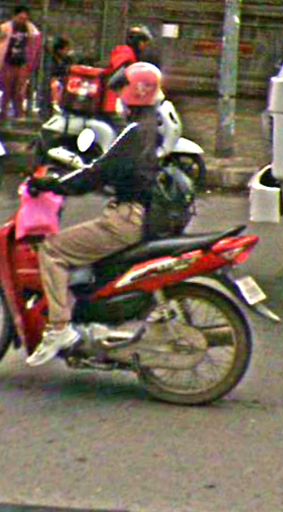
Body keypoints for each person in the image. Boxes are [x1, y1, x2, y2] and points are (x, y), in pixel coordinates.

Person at [25, 62, 162, 367]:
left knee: (53, 250)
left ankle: (59, 327)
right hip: (138, 212)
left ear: (136, 92)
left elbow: (98, 172)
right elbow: (114, 170)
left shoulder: (134, 132)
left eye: (122, 91)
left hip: (123, 220)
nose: (119, 99)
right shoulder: (151, 125)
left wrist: (54, 184)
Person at [0, 5, 41, 121]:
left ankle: (19, 115)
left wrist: (31, 63)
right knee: (7, 89)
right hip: (8, 62)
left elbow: (35, 45)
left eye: (25, 19)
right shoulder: (5, 28)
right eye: (20, 18)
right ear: (14, 16)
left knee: (19, 91)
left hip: (22, 64)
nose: (22, 21)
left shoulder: (32, 30)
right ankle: (3, 114)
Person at [102, 25, 154, 114]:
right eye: (145, 44)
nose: (145, 47)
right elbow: (116, 80)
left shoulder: (127, 53)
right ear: (139, 42)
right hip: (115, 105)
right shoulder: (127, 56)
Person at [49, 36, 73, 108]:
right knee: (56, 85)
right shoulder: (50, 60)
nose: (67, 52)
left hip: (65, 82)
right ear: (59, 50)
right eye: (66, 49)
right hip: (53, 83)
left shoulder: (68, 60)